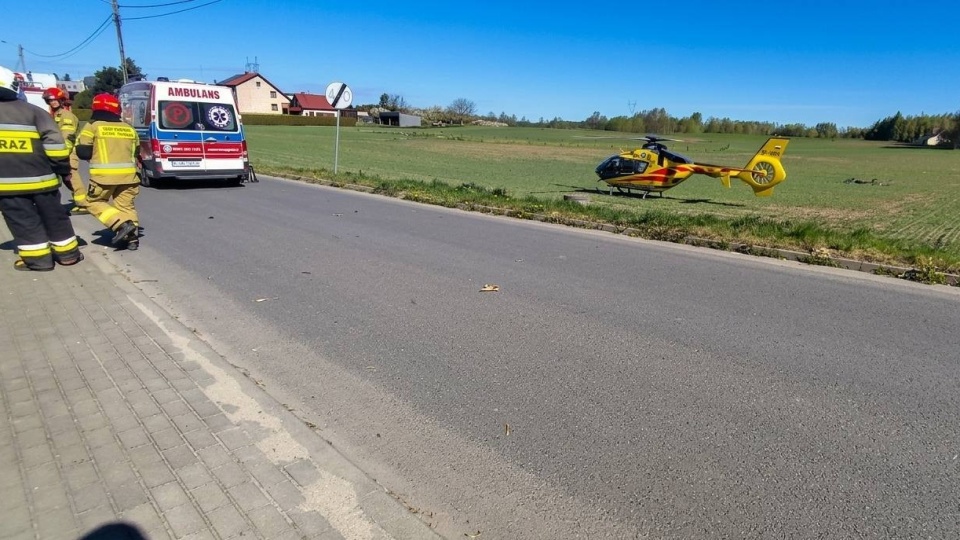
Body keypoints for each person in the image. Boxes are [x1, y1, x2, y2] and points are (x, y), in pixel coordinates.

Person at [0, 67, 83, 271]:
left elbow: (65, 137)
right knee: (55, 217)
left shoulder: (60, 115)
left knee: (24, 221)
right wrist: (62, 169)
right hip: (43, 180)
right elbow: (55, 145)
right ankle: (69, 255)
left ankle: (39, 261)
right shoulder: (35, 113)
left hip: (7, 186)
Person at [76, 93, 141, 250]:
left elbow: (83, 152)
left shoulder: (92, 127)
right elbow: (136, 152)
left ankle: (120, 225)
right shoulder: (129, 129)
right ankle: (132, 239)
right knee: (126, 207)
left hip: (103, 178)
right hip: (129, 178)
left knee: (93, 203)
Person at [42, 86, 87, 214]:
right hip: (60, 151)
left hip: (68, 150)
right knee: (67, 178)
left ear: (61, 100)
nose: (53, 102)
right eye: (50, 100)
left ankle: (83, 204)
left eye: (55, 100)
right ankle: (79, 201)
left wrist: (62, 154)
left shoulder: (66, 115)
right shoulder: (54, 115)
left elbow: (67, 136)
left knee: (71, 176)